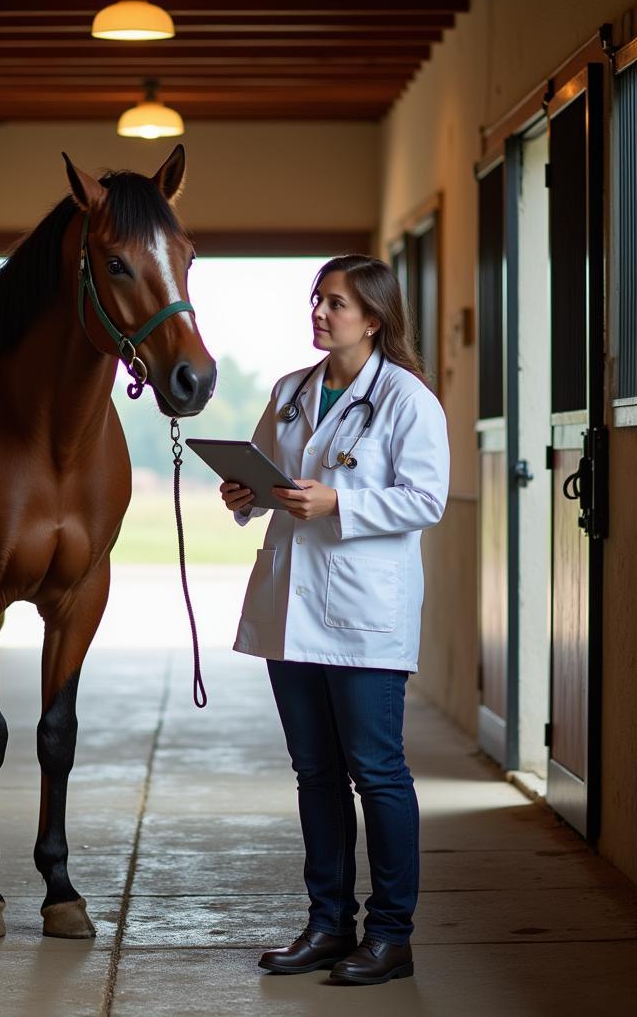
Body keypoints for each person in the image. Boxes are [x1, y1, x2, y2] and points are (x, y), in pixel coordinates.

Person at [220, 255, 449, 986]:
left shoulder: (408, 399)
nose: (319, 312)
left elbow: (427, 500)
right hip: (292, 610)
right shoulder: (291, 392)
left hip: (363, 614)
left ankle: (390, 935)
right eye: (316, 299)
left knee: (376, 772)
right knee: (314, 772)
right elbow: (268, 477)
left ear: (373, 318)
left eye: (336, 303)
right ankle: (326, 925)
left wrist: (341, 504)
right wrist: (244, 493)